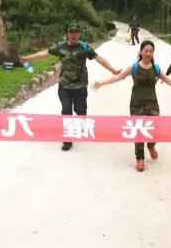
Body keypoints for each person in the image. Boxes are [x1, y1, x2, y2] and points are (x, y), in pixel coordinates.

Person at [94, 40, 171, 172]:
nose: (148, 53)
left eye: (151, 51)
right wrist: (101, 83)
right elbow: (118, 77)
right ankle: (140, 158)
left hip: (152, 103)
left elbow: (169, 81)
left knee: (154, 129)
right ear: (141, 52)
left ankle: (151, 145)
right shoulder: (134, 67)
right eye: (146, 51)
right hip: (136, 104)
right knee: (139, 131)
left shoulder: (156, 68)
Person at [22, 22, 121, 151]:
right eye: (71, 32)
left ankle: (81, 123)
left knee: (80, 111)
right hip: (65, 85)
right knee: (66, 110)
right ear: (67, 34)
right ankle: (67, 139)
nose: (73, 35)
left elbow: (99, 59)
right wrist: (27, 58)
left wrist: (113, 70)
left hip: (80, 86)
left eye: (76, 32)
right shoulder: (61, 47)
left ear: (79, 34)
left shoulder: (85, 47)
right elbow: (44, 53)